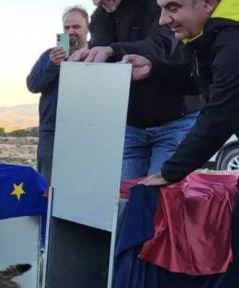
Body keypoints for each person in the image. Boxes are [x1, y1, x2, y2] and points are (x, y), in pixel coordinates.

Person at [127, 0, 239, 288]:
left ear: (208, 3)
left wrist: (171, 171)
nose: (164, 19)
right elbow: (194, 78)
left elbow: (219, 114)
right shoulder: (210, 37)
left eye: (173, 7)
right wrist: (152, 69)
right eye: (161, 8)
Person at [74, 0, 201, 181]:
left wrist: (113, 50)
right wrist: (88, 55)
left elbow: (162, 45)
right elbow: (100, 51)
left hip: (174, 122)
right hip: (129, 126)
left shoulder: (156, 5)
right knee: (126, 198)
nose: (96, 2)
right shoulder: (100, 16)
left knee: (160, 199)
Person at [26, 6, 90, 184]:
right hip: (52, 130)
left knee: (82, 182)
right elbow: (32, 84)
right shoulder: (49, 55)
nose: (71, 32)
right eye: (66, 28)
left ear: (87, 28)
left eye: (76, 27)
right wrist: (52, 65)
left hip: (87, 129)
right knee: (49, 184)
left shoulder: (96, 55)